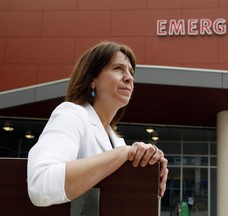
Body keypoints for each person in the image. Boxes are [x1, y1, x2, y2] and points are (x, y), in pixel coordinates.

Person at [27, 41, 168, 207]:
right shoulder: (71, 114)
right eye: (118, 68)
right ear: (92, 79)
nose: (129, 77)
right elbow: (41, 185)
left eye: (131, 72)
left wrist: (150, 167)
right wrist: (123, 153)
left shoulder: (116, 140)